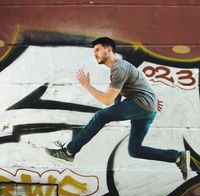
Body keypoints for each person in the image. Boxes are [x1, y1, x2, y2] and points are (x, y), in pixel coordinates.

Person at [45, 37, 190, 180]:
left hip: (141, 105)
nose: (95, 54)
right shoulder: (119, 68)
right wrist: (151, 101)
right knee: (135, 150)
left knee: (99, 116)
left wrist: (87, 85)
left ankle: (69, 152)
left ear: (109, 50)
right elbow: (131, 87)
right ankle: (177, 157)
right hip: (147, 109)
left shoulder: (119, 68)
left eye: (97, 50)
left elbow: (107, 100)